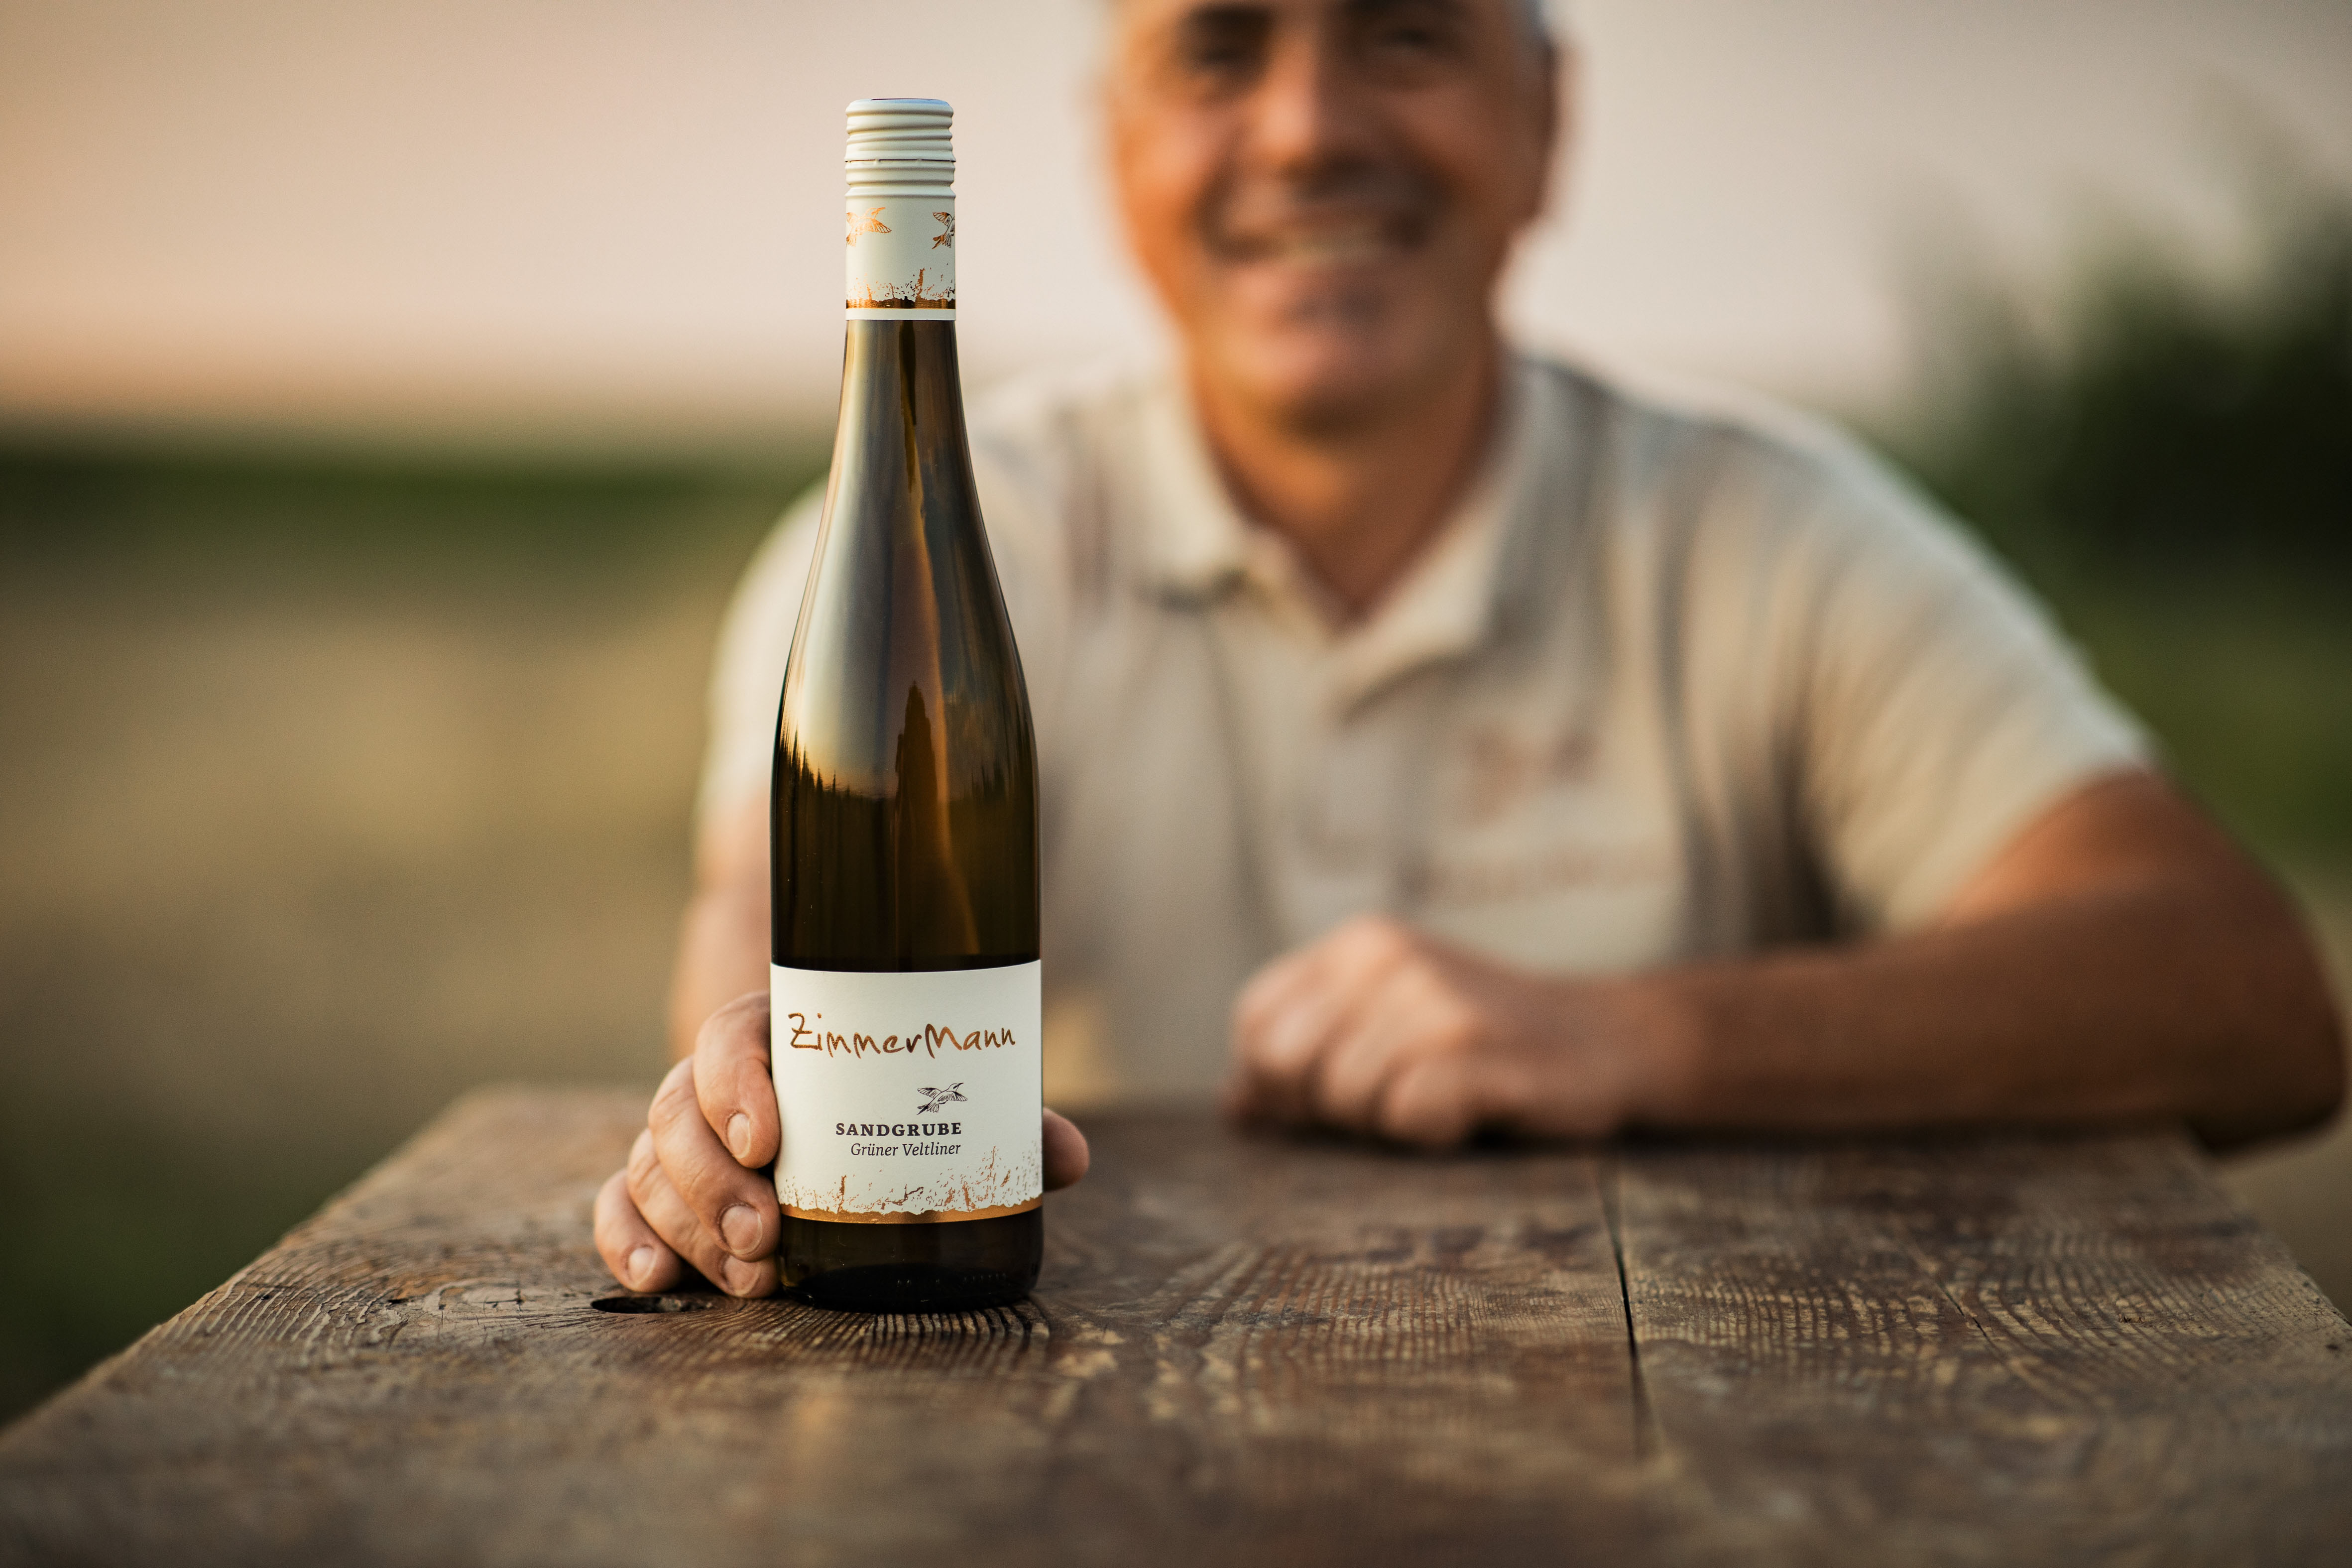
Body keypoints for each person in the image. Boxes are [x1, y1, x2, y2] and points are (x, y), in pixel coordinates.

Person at [594, 0, 2344, 1300]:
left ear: (1545, 123)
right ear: (1114, 150)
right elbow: (755, 940)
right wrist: (737, 1105)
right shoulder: (918, 557)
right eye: (1217, 49)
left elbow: (2244, 997)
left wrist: (1640, 1039)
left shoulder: (1771, 535)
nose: (1305, 129)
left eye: (1407, 32)